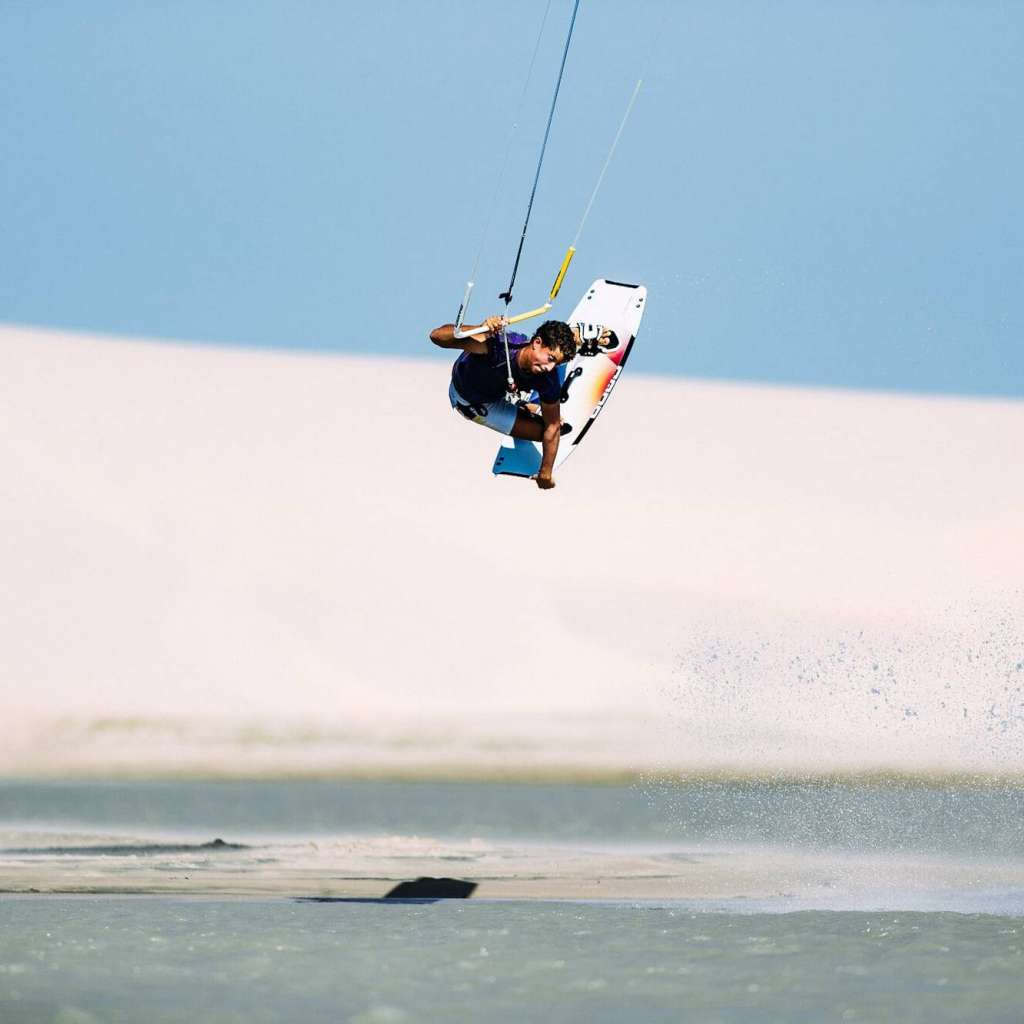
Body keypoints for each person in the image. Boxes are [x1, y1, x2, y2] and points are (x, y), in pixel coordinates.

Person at [430, 316, 576, 489]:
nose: (549, 368)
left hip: (500, 390)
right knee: (541, 431)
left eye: (556, 363)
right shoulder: (496, 346)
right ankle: (522, 404)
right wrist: (480, 328)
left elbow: (552, 427)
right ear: (537, 342)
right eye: (551, 358)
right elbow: (436, 336)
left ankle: (521, 402)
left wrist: (546, 472)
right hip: (472, 402)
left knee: (547, 432)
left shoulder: (547, 377)